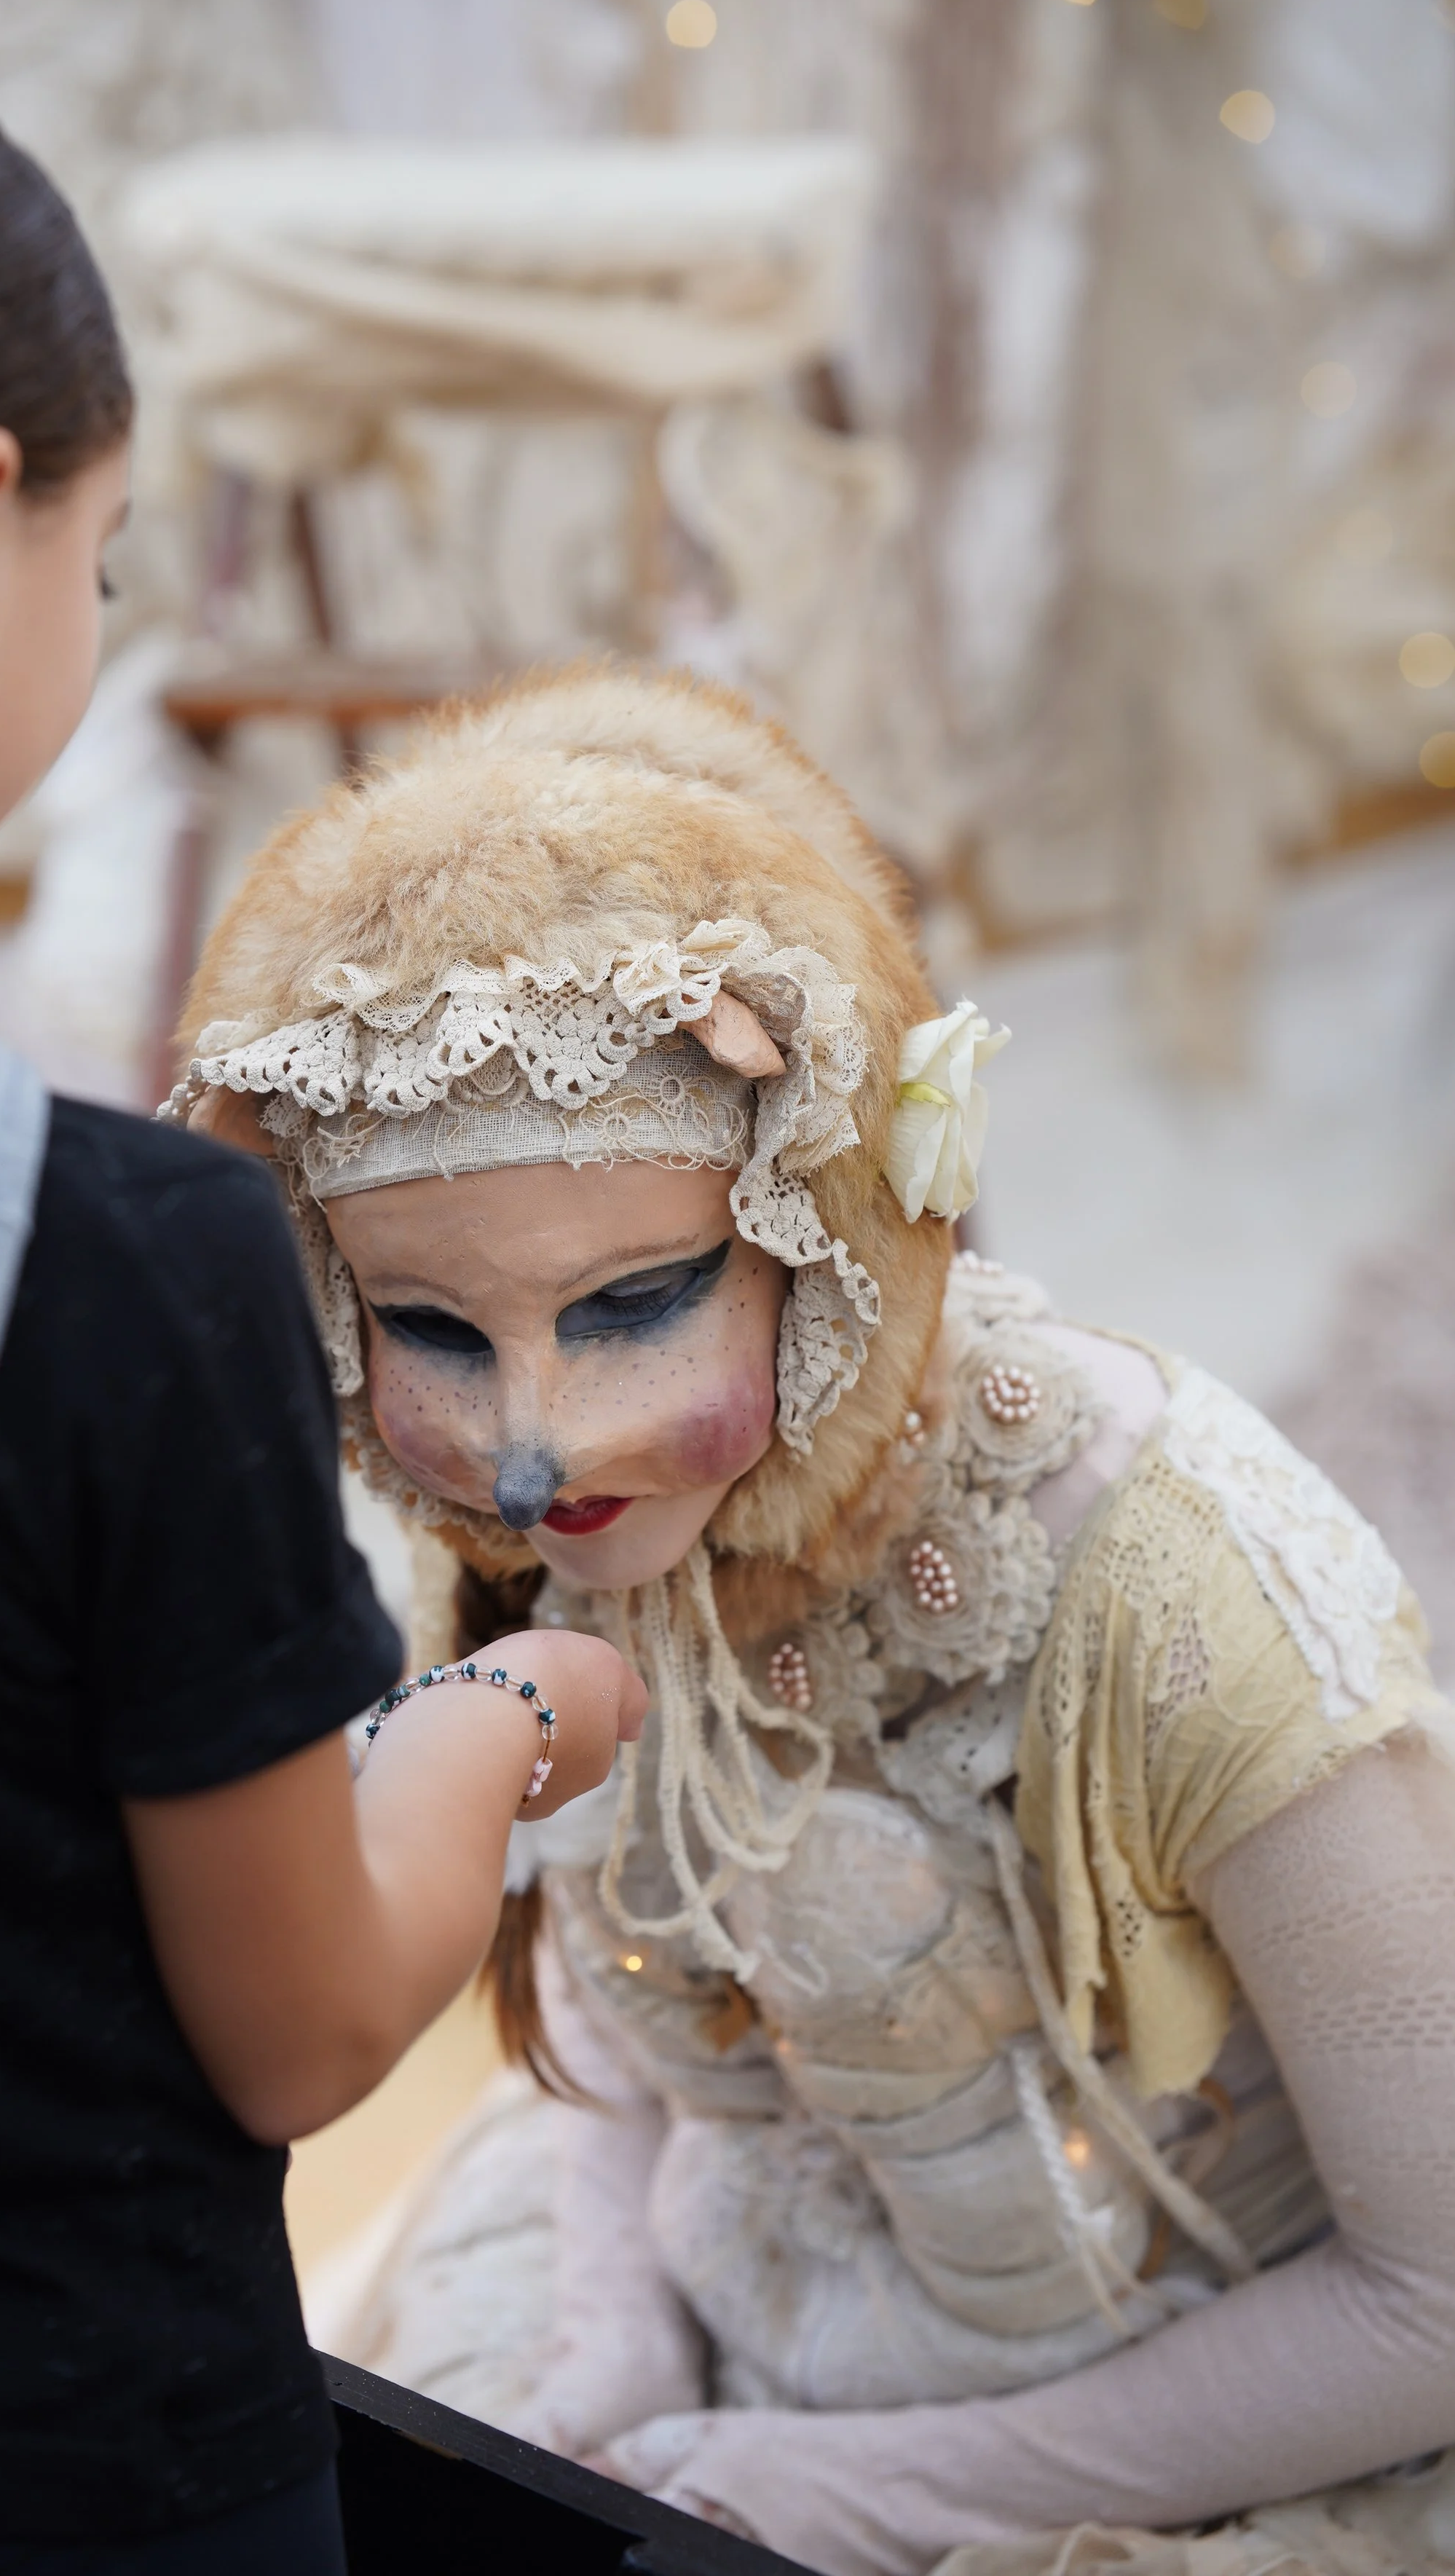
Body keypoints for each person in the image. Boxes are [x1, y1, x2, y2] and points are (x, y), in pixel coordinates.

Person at [0, 7, 638, 2575]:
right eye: (98, 556)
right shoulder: (113, 1266)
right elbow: (298, 2020)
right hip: (58, 2495)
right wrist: (503, 1713)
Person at [169, 663, 1455, 2576]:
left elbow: (1432, 2297)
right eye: (437, 1330)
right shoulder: (588, 1527)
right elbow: (633, 2009)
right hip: (704, 2367)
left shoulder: (1166, 1569)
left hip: (1186, 2448)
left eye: (627, 1305)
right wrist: (603, 2343)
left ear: (822, 1223)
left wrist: (864, 2498)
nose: (525, 1457)